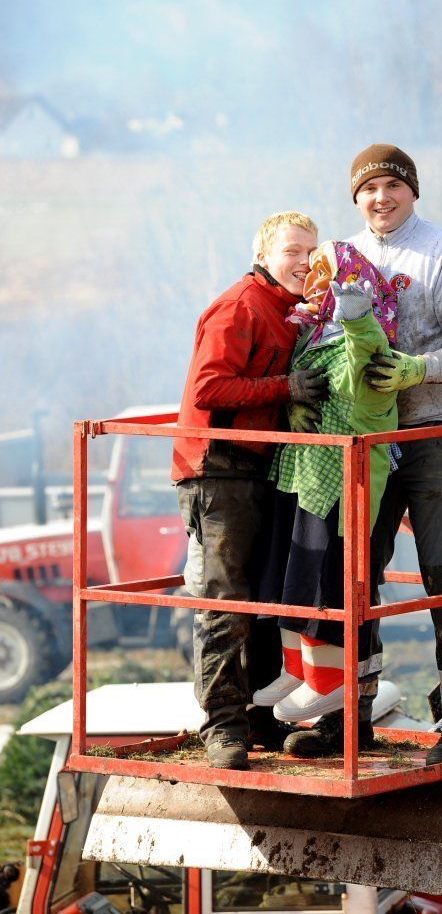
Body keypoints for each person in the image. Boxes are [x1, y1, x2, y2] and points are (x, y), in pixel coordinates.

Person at [331, 142, 442, 765]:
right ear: (356, 198)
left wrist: (417, 369)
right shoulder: (341, 259)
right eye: (368, 189)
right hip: (368, 438)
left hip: (438, 431)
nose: (381, 198)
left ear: (412, 191)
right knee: (355, 569)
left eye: (392, 186)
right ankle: (349, 713)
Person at [172, 211, 327, 771]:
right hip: (218, 467)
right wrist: (286, 387)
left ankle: (258, 716)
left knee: (262, 597)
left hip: (261, 464)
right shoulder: (241, 306)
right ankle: (222, 726)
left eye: (312, 251)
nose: (304, 261)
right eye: (292, 250)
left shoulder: (292, 311)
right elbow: (209, 386)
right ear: (262, 254)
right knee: (227, 600)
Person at [252, 241, 400, 757]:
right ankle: (298, 670)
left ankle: (329, 680)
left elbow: (366, 351)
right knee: (290, 577)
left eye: (326, 272)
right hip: (304, 473)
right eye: (312, 272)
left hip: (339, 483)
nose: (314, 281)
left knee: (326, 583)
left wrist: (355, 312)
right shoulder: (313, 331)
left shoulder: (363, 337)